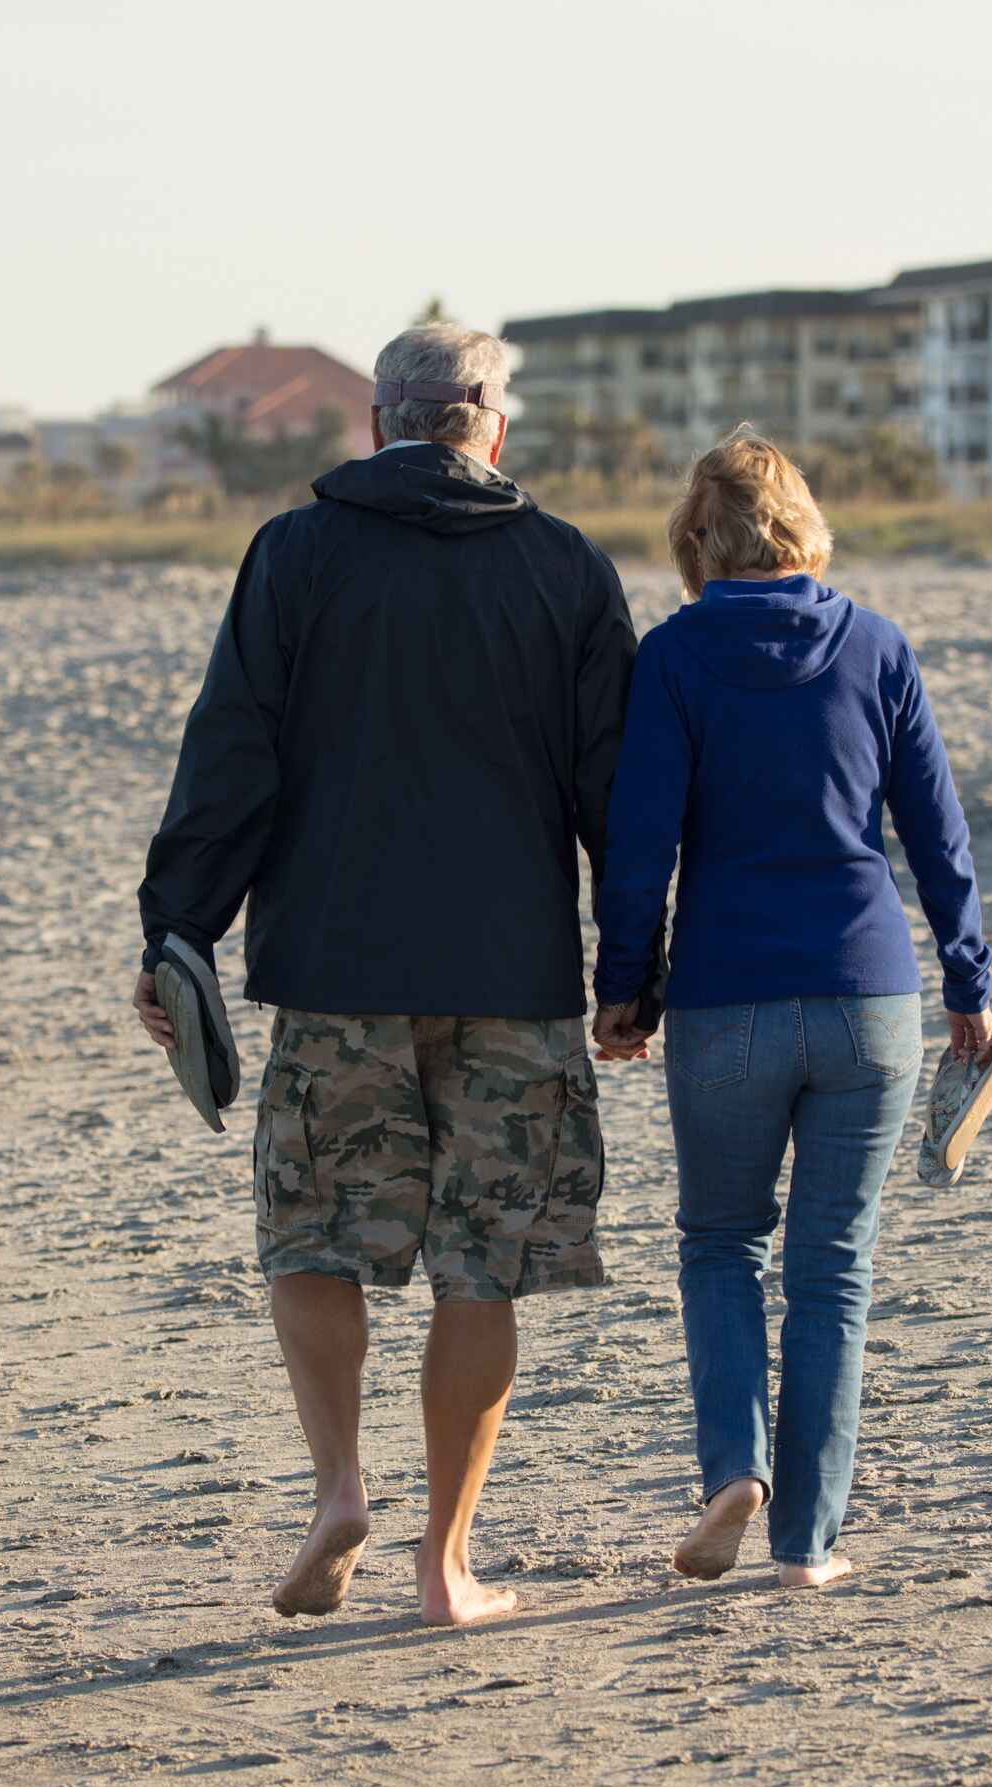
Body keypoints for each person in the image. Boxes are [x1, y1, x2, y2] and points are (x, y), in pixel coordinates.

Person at [134, 322, 638, 1628]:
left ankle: (340, 1490)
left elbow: (233, 750)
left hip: (337, 969)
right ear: (492, 427)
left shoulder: (296, 555)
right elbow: (616, 798)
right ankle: (447, 1564)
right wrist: (637, 965)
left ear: (377, 424)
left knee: (312, 1234)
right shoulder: (565, 568)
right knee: (484, 1267)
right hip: (513, 977)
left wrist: (177, 928)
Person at [591, 430, 992, 1591]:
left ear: (696, 542)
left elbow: (642, 845)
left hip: (728, 999)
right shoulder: (876, 646)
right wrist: (968, 984)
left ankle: (735, 1467)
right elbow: (937, 837)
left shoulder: (673, 660)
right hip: (871, 998)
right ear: (801, 525)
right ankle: (806, 1545)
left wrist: (626, 985)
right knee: (833, 1265)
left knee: (721, 1243)